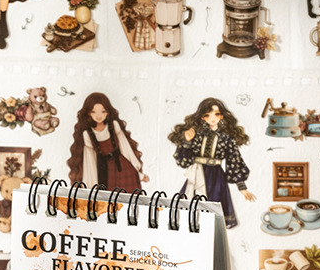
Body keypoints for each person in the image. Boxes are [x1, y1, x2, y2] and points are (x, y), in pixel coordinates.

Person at [168, 97, 255, 228]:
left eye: (216, 114)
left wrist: (242, 187)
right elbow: (183, 161)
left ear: (222, 116)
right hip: (196, 173)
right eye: (207, 115)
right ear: (202, 117)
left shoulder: (227, 138)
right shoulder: (196, 135)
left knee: (213, 211)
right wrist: (187, 142)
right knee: (190, 208)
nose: (212, 118)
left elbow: (234, 160)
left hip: (216, 177)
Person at [67, 92, 147, 191]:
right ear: (89, 113)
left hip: (122, 168)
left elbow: (126, 149)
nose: (99, 115)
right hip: (103, 174)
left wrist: (139, 173)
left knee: (130, 197)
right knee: (109, 198)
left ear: (108, 112)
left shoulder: (114, 126)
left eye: (103, 111)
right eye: (94, 112)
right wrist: (91, 186)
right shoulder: (87, 134)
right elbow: (90, 162)